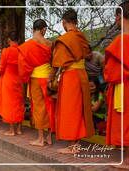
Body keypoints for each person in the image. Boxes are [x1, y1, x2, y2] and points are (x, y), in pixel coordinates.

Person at [50, 9, 94, 154]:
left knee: (71, 110)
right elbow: (89, 55)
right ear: (77, 21)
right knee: (80, 108)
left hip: (70, 76)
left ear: (63, 22)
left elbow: (57, 64)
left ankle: (73, 146)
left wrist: (51, 79)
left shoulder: (65, 40)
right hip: (82, 74)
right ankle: (76, 143)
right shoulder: (81, 37)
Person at [18, 19, 55, 146]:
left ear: (33, 29)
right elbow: (54, 63)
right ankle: (49, 137)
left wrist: (26, 77)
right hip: (48, 78)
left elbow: (23, 66)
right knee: (50, 107)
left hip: (36, 79)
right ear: (44, 29)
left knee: (38, 108)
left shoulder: (26, 46)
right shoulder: (50, 44)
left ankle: (40, 139)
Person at [104, 1, 129, 169]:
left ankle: (127, 161)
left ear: (119, 16)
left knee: (126, 120)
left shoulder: (122, 40)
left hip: (125, 85)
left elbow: (110, 72)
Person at [0, 31, 24, 135]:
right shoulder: (22, 51)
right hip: (19, 80)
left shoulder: (6, 51)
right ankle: (19, 129)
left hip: (8, 80)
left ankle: (12, 130)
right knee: (19, 103)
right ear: (19, 40)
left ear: (8, 40)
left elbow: (1, 68)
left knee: (10, 104)